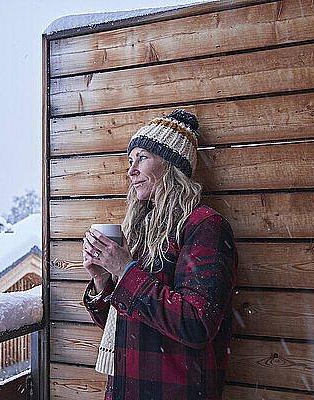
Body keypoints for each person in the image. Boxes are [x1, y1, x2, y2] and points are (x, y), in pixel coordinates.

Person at [82, 109, 238, 400]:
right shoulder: (140, 231)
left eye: (142, 158)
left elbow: (196, 323)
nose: (131, 170)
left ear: (170, 164)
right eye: (131, 161)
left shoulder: (205, 226)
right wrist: (104, 280)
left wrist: (125, 271)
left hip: (176, 391)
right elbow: (127, 325)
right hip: (127, 388)